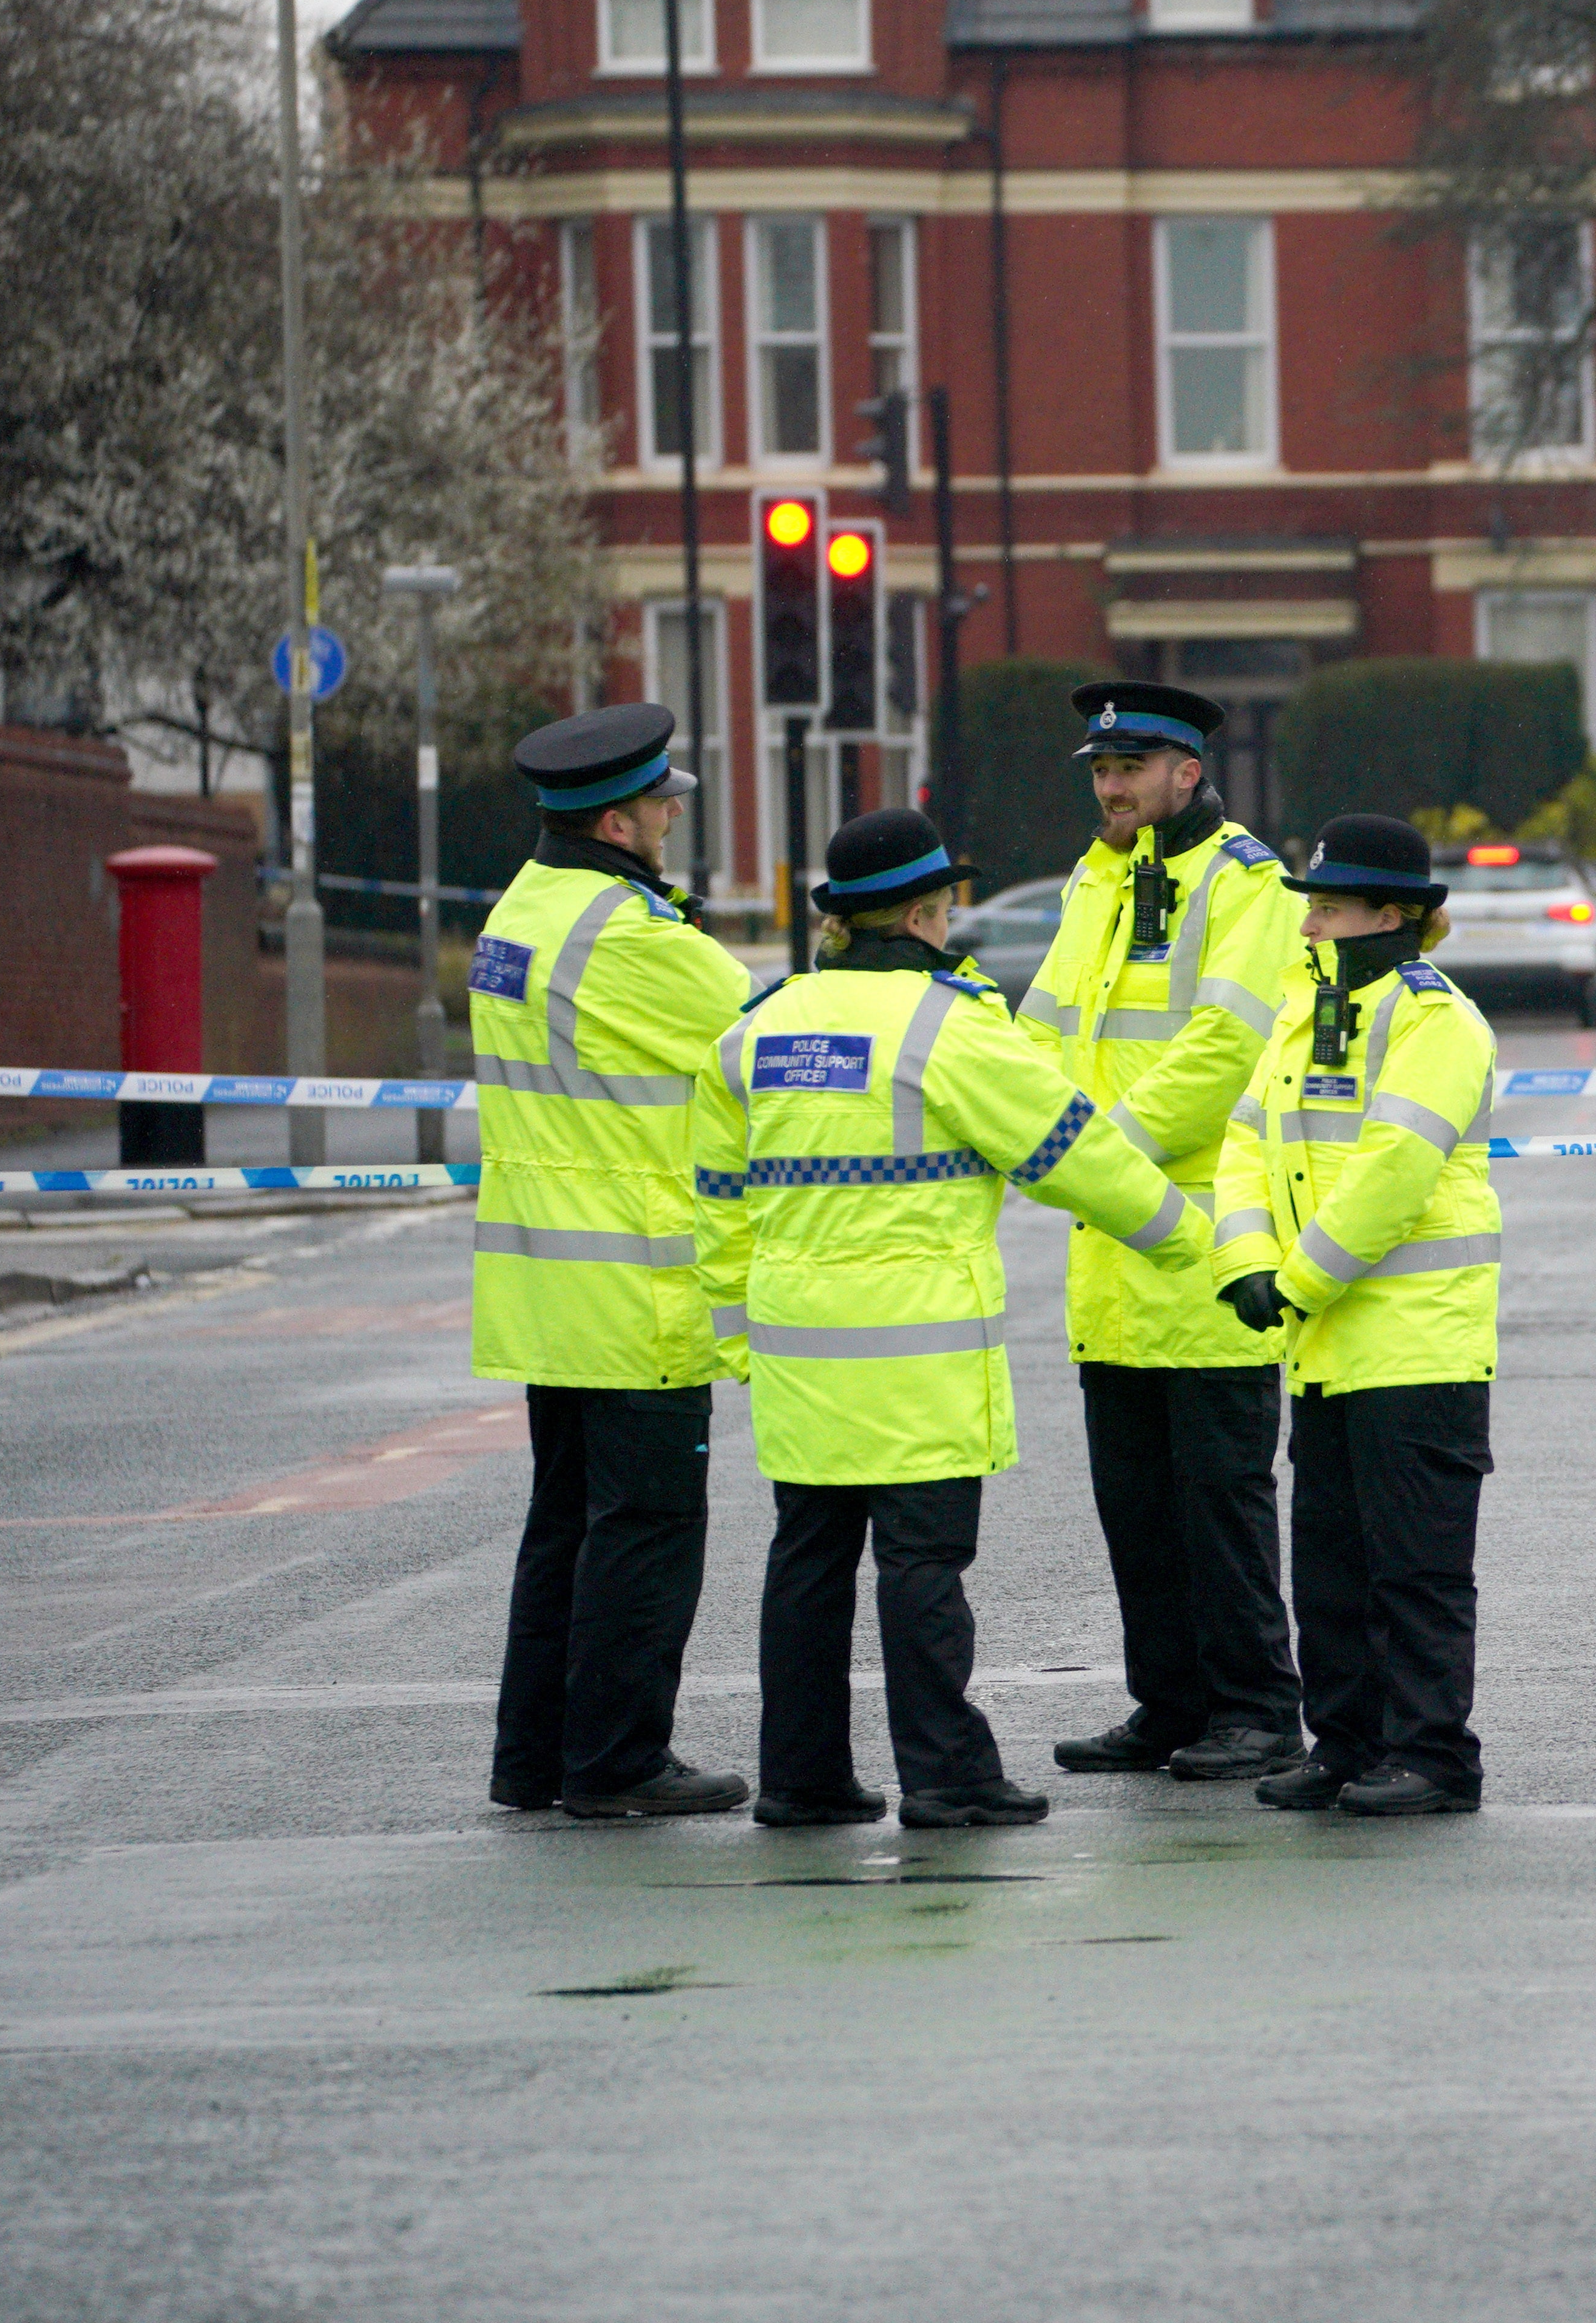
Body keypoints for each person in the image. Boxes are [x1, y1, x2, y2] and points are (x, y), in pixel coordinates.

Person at [695, 810, 1213, 1829]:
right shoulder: (950, 1028)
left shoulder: (755, 1029)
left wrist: (738, 1335)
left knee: (808, 1558)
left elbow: (716, 1200)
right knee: (921, 1564)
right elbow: (1082, 1157)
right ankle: (948, 1776)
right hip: (916, 1345)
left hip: (798, 1343)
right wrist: (1204, 1247)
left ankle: (800, 1780)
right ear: (930, 913)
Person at [1019, 683, 1310, 1787]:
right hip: (1111, 1258)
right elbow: (1037, 1034)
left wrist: (1085, 1156)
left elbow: (1222, 1054)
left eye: (1132, 770)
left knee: (1221, 1505)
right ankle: (1171, 1704)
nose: (1111, 787)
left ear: (1188, 773)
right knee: (1136, 1510)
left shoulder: (1249, 887)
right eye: (1101, 770)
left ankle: (1257, 1711)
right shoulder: (1099, 880)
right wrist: (1037, 1136)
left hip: (1201, 1248)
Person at [472, 701, 751, 1821]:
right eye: (664, 803)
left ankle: (535, 1759)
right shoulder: (628, 937)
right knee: (646, 1532)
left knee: (565, 1528)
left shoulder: (521, 908)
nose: (675, 815)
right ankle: (620, 1762)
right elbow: (767, 1033)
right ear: (623, 823)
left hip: (547, 1280)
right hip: (638, 1279)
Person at [1214, 815, 1503, 1817]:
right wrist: (1245, 1258)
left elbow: (1394, 1173)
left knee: (1416, 1572)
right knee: (1333, 1566)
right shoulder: (1307, 1009)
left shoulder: (1436, 1021)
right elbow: (1244, 1142)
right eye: (1312, 908)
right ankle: (1347, 1744)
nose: (1310, 927)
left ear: (1396, 916)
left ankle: (1432, 1756)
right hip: (1330, 1343)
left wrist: (1291, 1281)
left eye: (1329, 910)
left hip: (1418, 1343)